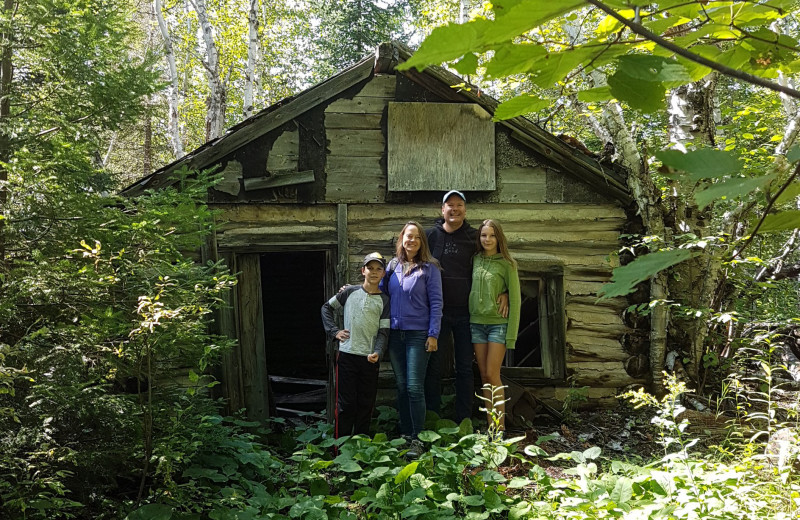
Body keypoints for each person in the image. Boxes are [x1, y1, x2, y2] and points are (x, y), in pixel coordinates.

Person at [425, 190, 508, 424]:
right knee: (433, 367)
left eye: (459, 205)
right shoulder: (431, 236)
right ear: (442, 210)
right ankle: (433, 418)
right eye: (449, 205)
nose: (454, 209)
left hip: (467, 314)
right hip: (437, 315)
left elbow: (497, 264)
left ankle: (464, 420)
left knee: (464, 367)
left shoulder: (474, 237)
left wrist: (505, 293)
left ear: (465, 210)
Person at [383, 221, 442, 457]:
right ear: (401, 239)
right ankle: (405, 434)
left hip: (419, 334)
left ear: (422, 242)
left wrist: (433, 334)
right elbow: (379, 289)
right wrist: (354, 289)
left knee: (415, 387)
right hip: (396, 334)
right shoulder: (392, 266)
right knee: (401, 386)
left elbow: (437, 303)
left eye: (417, 237)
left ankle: (418, 438)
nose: (412, 241)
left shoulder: (430, 269)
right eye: (409, 236)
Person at [321, 252, 391, 438]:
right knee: (346, 405)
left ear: (383, 273)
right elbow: (326, 308)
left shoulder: (385, 301)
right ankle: (340, 449)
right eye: (370, 268)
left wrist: (377, 351)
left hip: (369, 359)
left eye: (378, 269)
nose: (374, 272)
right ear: (363, 271)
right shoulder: (349, 292)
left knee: (365, 405)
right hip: (347, 356)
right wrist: (334, 332)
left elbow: (383, 332)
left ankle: (362, 449)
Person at [469, 219, 521, 432]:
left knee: (492, 374)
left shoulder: (507, 263)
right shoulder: (475, 259)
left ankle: (499, 428)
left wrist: (511, 335)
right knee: (483, 375)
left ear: (499, 238)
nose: (487, 239)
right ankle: (490, 427)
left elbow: (516, 299)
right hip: (476, 323)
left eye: (491, 235)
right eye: (484, 235)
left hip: (498, 324)